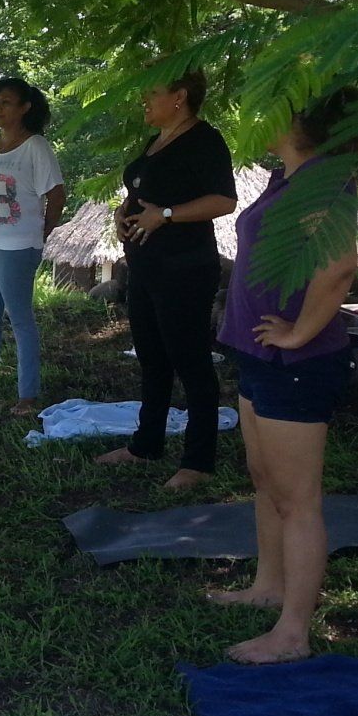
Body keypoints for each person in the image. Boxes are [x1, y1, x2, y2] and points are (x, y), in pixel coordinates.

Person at [206, 91, 358, 664]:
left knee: (298, 499)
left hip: (295, 364)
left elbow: (339, 266)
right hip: (259, 355)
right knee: (264, 478)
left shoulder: (325, 183)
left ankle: (293, 633)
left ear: (302, 124)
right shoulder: (287, 178)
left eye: (277, 109)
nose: (260, 117)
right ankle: (267, 586)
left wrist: (299, 334)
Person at [96, 72, 238, 489]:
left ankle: (198, 461)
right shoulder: (155, 141)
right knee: (152, 358)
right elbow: (143, 190)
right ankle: (146, 444)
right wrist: (123, 214)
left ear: (180, 96)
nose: (144, 100)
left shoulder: (205, 140)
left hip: (184, 268)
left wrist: (167, 215)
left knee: (190, 361)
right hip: (145, 266)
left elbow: (224, 200)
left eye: (152, 93)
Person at [0, 77, 66, 415]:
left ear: (25, 108)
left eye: (5, 102)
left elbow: (57, 195)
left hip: (18, 245)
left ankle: (27, 395)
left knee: (19, 318)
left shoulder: (36, 147)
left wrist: (43, 231)